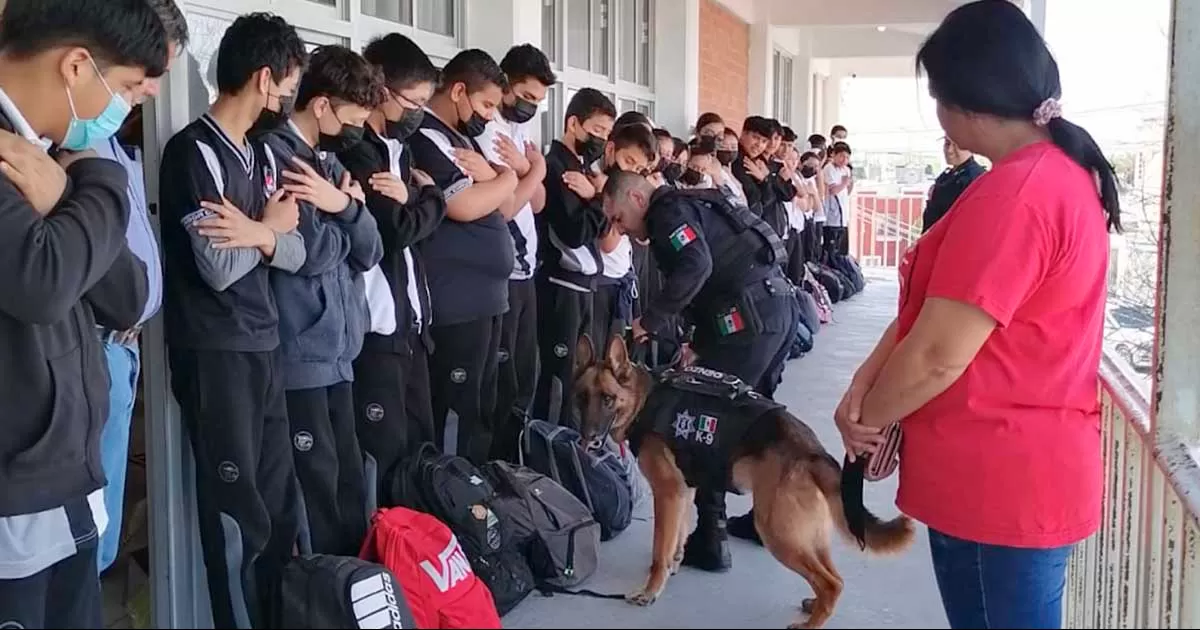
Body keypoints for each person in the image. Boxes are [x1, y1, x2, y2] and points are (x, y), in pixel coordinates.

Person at [835, 2, 1121, 628]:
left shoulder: (1016, 196)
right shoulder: (1056, 176)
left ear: (964, 102)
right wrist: (866, 388)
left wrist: (867, 422)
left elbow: (939, 353)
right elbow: (937, 314)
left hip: (1002, 478)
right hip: (1014, 470)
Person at [0, 1, 163, 625]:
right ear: (76, 66)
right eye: (124, 89)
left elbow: (126, 296)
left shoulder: (50, 156)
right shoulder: (35, 155)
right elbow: (41, 280)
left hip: (69, 478)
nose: (124, 112)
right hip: (16, 501)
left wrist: (71, 195)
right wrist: (98, 181)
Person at [158, 12, 307, 629]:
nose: (290, 99)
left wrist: (263, 235)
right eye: (289, 86)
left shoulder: (262, 155)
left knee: (276, 508)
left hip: (265, 344)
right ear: (264, 77)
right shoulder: (192, 152)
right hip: (217, 353)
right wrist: (267, 232)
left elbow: (295, 252)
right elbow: (217, 267)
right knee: (236, 516)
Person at [603, 170, 799, 573]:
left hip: (748, 321)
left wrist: (650, 320)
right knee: (754, 419)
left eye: (619, 218)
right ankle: (771, 514)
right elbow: (717, 268)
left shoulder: (668, 213)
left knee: (708, 424)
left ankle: (710, 536)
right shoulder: (690, 203)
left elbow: (696, 266)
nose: (620, 231)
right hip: (771, 311)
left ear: (638, 199)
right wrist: (702, 342)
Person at [257, 44, 385, 557]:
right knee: (317, 492)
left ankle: (353, 589)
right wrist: (346, 213)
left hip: (339, 351)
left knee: (348, 482)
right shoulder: (280, 157)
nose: (358, 126)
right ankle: (326, 595)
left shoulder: (327, 166)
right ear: (323, 105)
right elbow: (304, 252)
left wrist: (341, 206)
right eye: (354, 115)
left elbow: (371, 250)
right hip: (302, 352)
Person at [90, 0, 188, 577]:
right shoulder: (70, 140)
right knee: (82, 536)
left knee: (99, 532)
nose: (152, 93)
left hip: (120, 348)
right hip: (93, 345)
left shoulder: (106, 138)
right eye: (142, 78)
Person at [338, 32, 443, 492]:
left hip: (415, 325)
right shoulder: (359, 150)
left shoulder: (404, 150)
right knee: (384, 458)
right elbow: (394, 230)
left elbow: (409, 218)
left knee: (422, 449)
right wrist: (432, 199)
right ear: (381, 90)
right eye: (413, 101)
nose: (418, 112)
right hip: (378, 328)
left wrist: (417, 198)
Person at [406, 48, 518, 465]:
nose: (490, 116)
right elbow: (465, 205)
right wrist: (506, 175)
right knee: (455, 413)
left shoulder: (463, 139)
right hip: (456, 305)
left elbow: (504, 206)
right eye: (487, 104)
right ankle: (450, 504)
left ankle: (475, 500)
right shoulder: (427, 137)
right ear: (457, 91)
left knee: (480, 410)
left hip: (487, 301)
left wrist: (496, 179)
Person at [475, 43, 553, 462]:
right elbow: (505, 207)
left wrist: (524, 172)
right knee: (500, 382)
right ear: (504, 84)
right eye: (525, 97)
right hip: (500, 273)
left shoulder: (521, 135)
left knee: (525, 376)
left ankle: (518, 461)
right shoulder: (486, 132)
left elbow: (536, 202)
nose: (531, 108)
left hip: (527, 273)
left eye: (538, 102)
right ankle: (497, 465)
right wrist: (533, 170)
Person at [530, 87, 616, 429]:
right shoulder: (558, 168)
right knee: (559, 378)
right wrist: (597, 201)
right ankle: (550, 446)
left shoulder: (585, 171)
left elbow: (605, 225)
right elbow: (575, 232)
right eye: (596, 131)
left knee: (582, 376)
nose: (600, 140)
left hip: (584, 285)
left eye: (606, 134)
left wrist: (596, 195)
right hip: (560, 285)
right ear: (573, 123)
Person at [589, 122, 657, 353]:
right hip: (601, 284)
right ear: (610, 150)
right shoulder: (595, 180)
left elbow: (644, 239)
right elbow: (608, 243)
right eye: (628, 161)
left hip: (623, 279)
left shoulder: (630, 188)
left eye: (639, 169)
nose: (631, 172)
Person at [922, 135, 986, 233]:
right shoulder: (948, 175)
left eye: (957, 145)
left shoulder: (976, 179)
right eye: (947, 144)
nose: (950, 150)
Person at [822, 141, 853, 258]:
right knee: (831, 251)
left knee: (841, 251)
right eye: (841, 156)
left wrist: (848, 183)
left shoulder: (846, 170)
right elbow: (833, 190)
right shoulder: (829, 168)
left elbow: (847, 191)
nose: (844, 159)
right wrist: (845, 183)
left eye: (847, 157)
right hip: (831, 217)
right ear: (833, 155)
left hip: (843, 216)